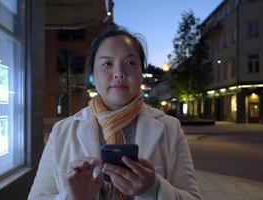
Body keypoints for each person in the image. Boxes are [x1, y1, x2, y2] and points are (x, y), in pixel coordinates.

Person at [28, 26, 201, 200]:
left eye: (131, 62)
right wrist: (71, 197)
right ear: (93, 75)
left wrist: (153, 188)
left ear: (141, 73)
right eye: (107, 64)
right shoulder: (62, 131)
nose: (119, 73)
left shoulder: (170, 127)